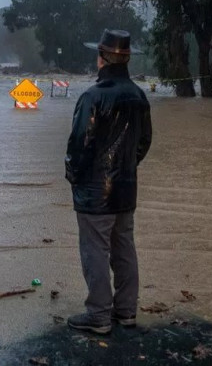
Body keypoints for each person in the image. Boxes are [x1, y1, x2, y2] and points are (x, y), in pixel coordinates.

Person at [65, 29, 153, 334]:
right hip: (126, 190)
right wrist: (126, 168)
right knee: (124, 248)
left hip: (95, 193)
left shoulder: (93, 96)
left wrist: (75, 178)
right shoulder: (139, 96)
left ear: (102, 59)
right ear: (126, 59)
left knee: (95, 251)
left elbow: (80, 145)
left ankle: (99, 315)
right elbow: (144, 142)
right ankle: (126, 310)